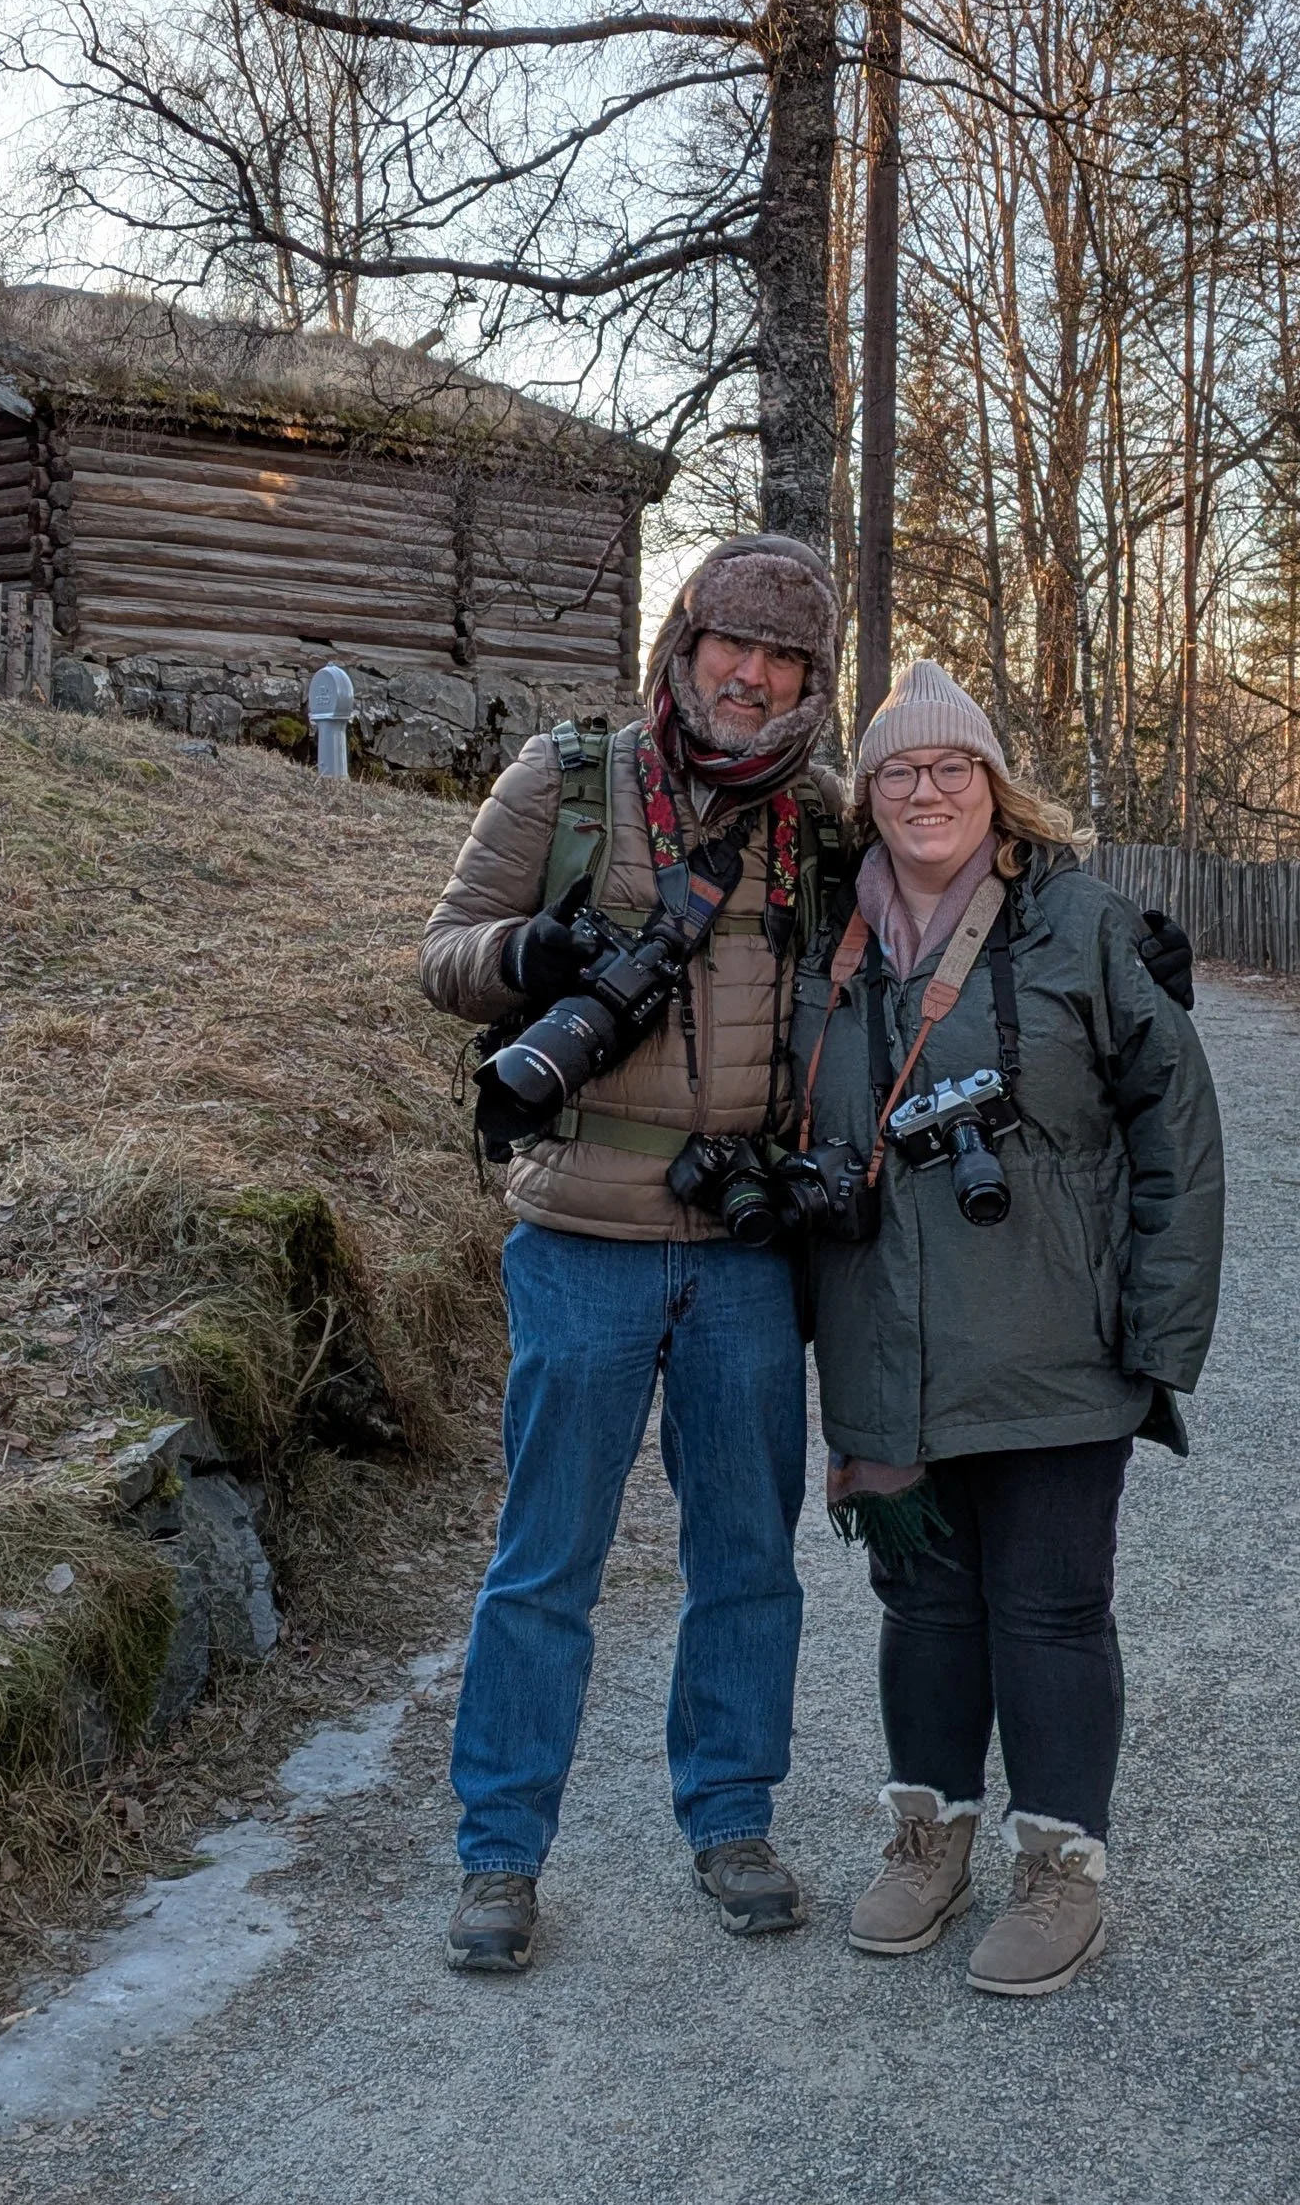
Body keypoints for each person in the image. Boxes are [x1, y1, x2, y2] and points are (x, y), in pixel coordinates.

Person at [418, 534, 849, 1971]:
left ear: (811, 679)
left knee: (748, 1556)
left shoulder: (818, 824)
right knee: (546, 1559)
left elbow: (950, 887)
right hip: (581, 1238)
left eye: (784, 658)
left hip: (742, 1250)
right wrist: (533, 954)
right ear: (684, 641)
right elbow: (441, 956)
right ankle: (499, 1858)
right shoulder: (569, 777)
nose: (752, 674)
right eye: (734, 643)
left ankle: (731, 1820)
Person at [794, 657, 1225, 1998]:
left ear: (996, 786)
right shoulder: (819, 936)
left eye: (953, 766)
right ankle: (930, 1836)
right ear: (865, 797)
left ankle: (1060, 1862)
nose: (927, 791)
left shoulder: (1086, 927)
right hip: (887, 1335)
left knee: (1047, 1605)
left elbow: (1180, 1133)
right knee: (920, 1601)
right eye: (900, 771)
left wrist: (1161, 1324)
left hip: (1054, 1341)